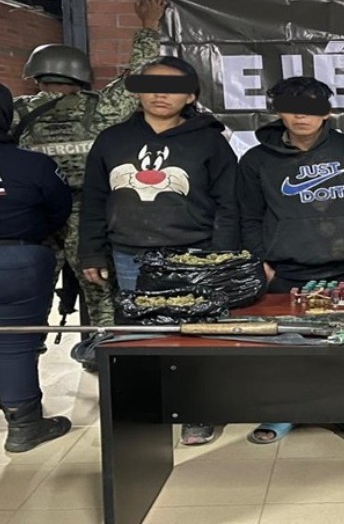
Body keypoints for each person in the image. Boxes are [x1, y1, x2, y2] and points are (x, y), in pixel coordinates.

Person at [78, 56, 239, 445]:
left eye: (172, 87)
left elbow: (229, 203)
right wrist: (91, 252)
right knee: (142, 336)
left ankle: (198, 410)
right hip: (129, 254)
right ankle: (146, 413)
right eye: (151, 85)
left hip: (194, 253)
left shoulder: (209, 141)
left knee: (196, 335)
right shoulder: (112, 139)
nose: (160, 94)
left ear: (190, 96)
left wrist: (221, 258)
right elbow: (94, 199)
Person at [10, 0, 166, 351]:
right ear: (81, 77)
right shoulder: (103, 108)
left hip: (36, 216)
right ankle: (106, 356)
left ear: (37, 76)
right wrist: (149, 24)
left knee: (30, 298)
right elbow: (140, 74)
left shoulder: (19, 111)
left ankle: (21, 360)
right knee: (102, 295)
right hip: (89, 214)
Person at [237, 76, 344, 445]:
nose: (301, 116)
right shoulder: (256, 161)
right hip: (285, 272)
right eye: (292, 108)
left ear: (327, 112)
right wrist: (262, 264)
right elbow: (249, 217)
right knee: (286, 349)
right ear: (279, 112)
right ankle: (283, 411)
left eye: (311, 108)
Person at [0, 82, 73, 452]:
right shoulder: (35, 164)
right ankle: (24, 426)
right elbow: (59, 210)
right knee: (15, 343)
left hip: (19, 258)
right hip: (19, 259)